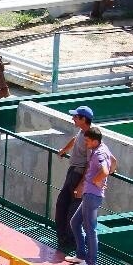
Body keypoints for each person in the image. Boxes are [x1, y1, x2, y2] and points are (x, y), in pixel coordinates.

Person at [66, 128, 114, 265]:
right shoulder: (103, 148)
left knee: (90, 229)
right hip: (90, 194)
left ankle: (91, 261)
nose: (85, 143)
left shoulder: (99, 152)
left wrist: (96, 181)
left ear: (94, 141)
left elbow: (104, 171)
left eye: (87, 141)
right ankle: (81, 255)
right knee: (75, 222)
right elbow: (114, 162)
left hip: (92, 195)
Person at [54, 106, 94, 251]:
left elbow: (90, 164)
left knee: (73, 211)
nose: (73, 118)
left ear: (84, 119)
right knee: (61, 205)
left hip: (78, 175)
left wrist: (81, 185)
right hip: (73, 173)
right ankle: (62, 238)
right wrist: (64, 149)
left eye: (76, 117)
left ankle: (72, 244)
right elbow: (74, 139)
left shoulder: (90, 136)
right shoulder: (82, 132)